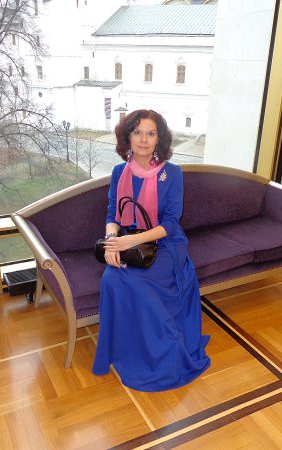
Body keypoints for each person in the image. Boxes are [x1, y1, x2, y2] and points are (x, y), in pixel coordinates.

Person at [92, 109, 211, 392]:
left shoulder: (172, 173)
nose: (144, 139)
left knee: (133, 281)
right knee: (111, 278)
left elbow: (170, 223)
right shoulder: (119, 172)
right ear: (128, 137)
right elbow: (112, 213)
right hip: (130, 241)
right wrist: (112, 241)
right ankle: (127, 349)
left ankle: (163, 350)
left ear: (159, 139)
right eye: (137, 132)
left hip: (166, 244)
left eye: (151, 133)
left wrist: (128, 243)